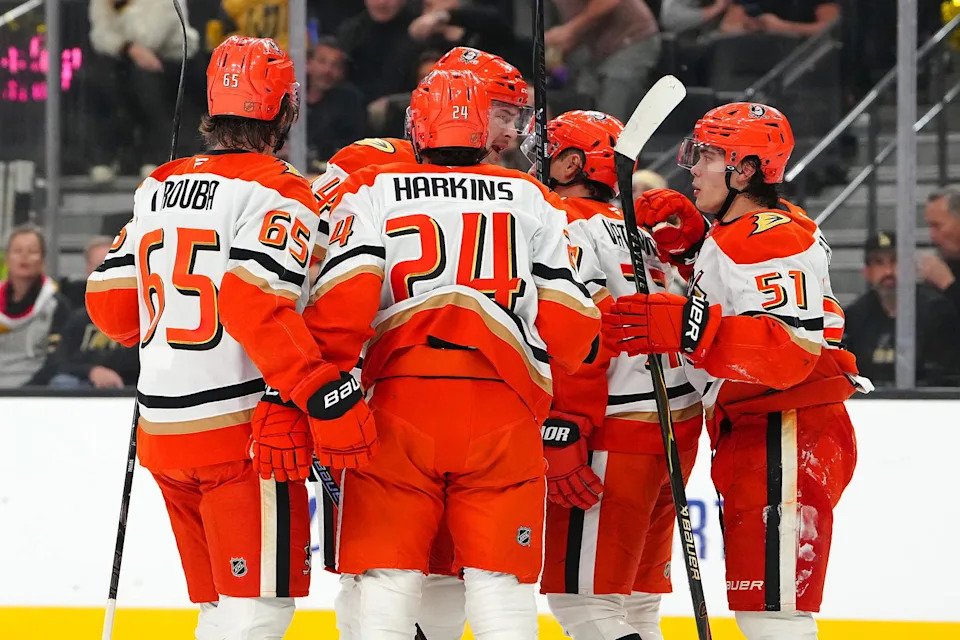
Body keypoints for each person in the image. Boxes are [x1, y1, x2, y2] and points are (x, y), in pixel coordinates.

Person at [86, 36, 377, 640]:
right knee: (257, 609)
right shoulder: (282, 188)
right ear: (284, 110)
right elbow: (253, 303)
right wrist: (317, 386)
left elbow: (111, 310)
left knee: (219, 608)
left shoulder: (156, 185)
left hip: (162, 435)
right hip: (241, 434)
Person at [306, 68, 600, 640]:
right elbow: (572, 333)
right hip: (504, 411)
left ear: (419, 123)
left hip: (397, 406)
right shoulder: (532, 198)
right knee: (499, 581)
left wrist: (320, 390)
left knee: (386, 576)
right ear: (482, 127)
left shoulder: (374, 189)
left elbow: (339, 313)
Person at [603, 103, 867, 640]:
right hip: (759, 427)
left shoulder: (769, 237)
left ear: (743, 170)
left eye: (706, 155)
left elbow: (788, 350)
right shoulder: (744, 231)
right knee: (764, 605)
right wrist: (693, 245)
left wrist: (686, 327)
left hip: (787, 428)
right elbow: (747, 301)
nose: (692, 167)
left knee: (773, 613)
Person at [528, 111, 703, 640]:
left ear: (572, 163)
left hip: (615, 425)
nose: (536, 161)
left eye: (549, 151)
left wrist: (565, 426)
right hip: (674, 423)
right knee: (636, 600)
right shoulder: (637, 231)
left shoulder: (558, 221)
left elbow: (582, 331)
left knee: (584, 600)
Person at [88, 0, 201, 179]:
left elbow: (150, 38)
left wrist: (122, 8)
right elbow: (99, 36)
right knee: (102, 75)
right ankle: (109, 157)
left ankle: (156, 156)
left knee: (144, 79)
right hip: (127, 56)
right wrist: (127, 47)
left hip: (171, 57)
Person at [844, 230, 960, 387]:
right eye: (878, 263)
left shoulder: (937, 311)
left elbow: (946, 374)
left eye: (895, 261)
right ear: (867, 272)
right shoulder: (856, 316)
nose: (888, 271)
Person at [42, 236, 139, 389]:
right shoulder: (76, 318)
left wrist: (88, 360)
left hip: (131, 390)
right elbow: (58, 361)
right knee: (63, 382)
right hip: (83, 389)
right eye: (101, 267)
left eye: (114, 266)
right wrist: (92, 370)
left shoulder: (143, 315)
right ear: (88, 270)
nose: (108, 274)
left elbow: (139, 359)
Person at [547, 0, 661, 122]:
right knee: (582, 105)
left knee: (611, 109)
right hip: (597, 51)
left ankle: (614, 140)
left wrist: (569, 30)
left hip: (632, 40)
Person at [0, 226, 71, 387]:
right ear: (7, 259)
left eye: (32, 251)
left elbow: (56, 359)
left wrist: (29, 392)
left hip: (36, 392)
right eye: (18, 251)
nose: (24, 257)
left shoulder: (56, 305)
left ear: (42, 260)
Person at [305, 37, 365, 162]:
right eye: (322, 61)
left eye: (335, 65)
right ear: (308, 63)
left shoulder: (350, 101)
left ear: (342, 71)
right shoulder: (289, 95)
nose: (328, 70)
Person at [919, 189, 960, 316]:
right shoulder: (948, 263)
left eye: (937, 226)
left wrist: (947, 283)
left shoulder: (944, 277)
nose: (932, 236)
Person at [719, 0, 840, 36]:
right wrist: (752, 26)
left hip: (803, 65)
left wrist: (784, 27)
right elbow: (727, 26)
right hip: (758, 60)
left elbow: (831, 28)